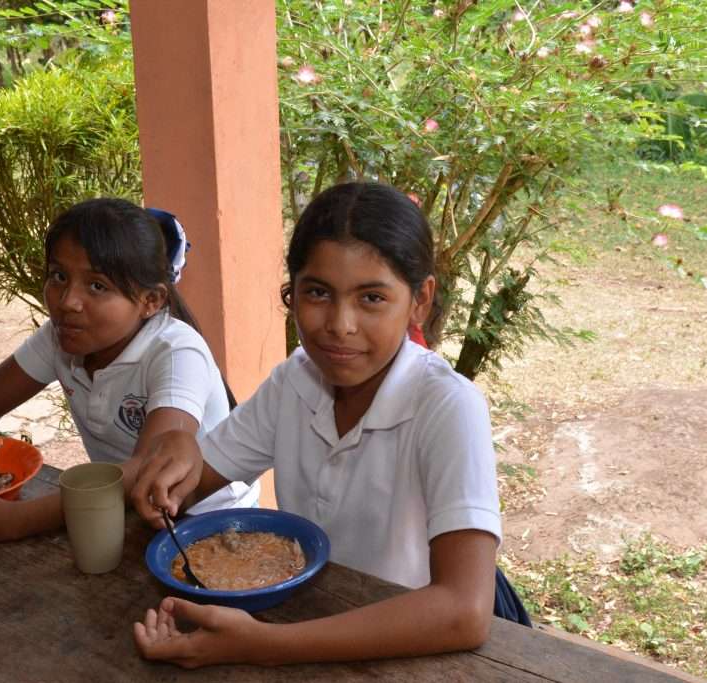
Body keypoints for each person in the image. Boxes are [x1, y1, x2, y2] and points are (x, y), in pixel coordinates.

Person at [130, 182, 528, 669]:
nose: (340, 324)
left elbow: (463, 611)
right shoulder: (295, 381)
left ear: (420, 301)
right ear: (292, 293)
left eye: (372, 298)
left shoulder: (447, 405)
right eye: (318, 293)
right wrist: (175, 466)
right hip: (316, 618)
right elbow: (197, 479)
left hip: (414, 649)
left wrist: (263, 646)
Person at [0, 198, 258, 544]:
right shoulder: (61, 337)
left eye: (97, 286)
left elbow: (147, 467)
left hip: (211, 523)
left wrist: (13, 521)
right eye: (59, 277)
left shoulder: (175, 352)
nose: (68, 302)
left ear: (150, 301)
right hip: (116, 512)